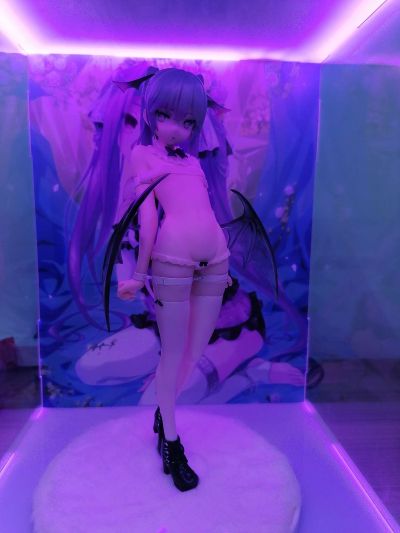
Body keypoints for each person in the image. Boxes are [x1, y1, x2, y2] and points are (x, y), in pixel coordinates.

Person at [114, 67, 233, 492]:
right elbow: (147, 219)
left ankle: (163, 410)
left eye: (188, 121)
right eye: (166, 116)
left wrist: (225, 259)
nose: (176, 128)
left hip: (216, 259)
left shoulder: (194, 162)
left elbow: (206, 211)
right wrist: (139, 273)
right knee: (173, 353)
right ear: (151, 113)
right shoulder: (142, 156)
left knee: (195, 351)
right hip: (172, 261)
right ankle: (171, 440)